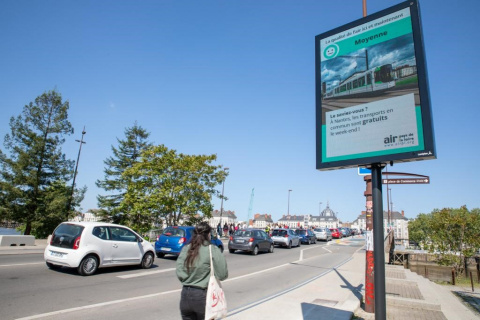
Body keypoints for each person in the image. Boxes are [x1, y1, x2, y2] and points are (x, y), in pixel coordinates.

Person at [176, 222, 228, 320]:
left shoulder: (187, 248)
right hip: (203, 296)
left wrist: (189, 278)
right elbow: (222, 274)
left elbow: (179, 270)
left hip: (185, 295)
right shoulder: (211, 249)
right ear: (208, 235)